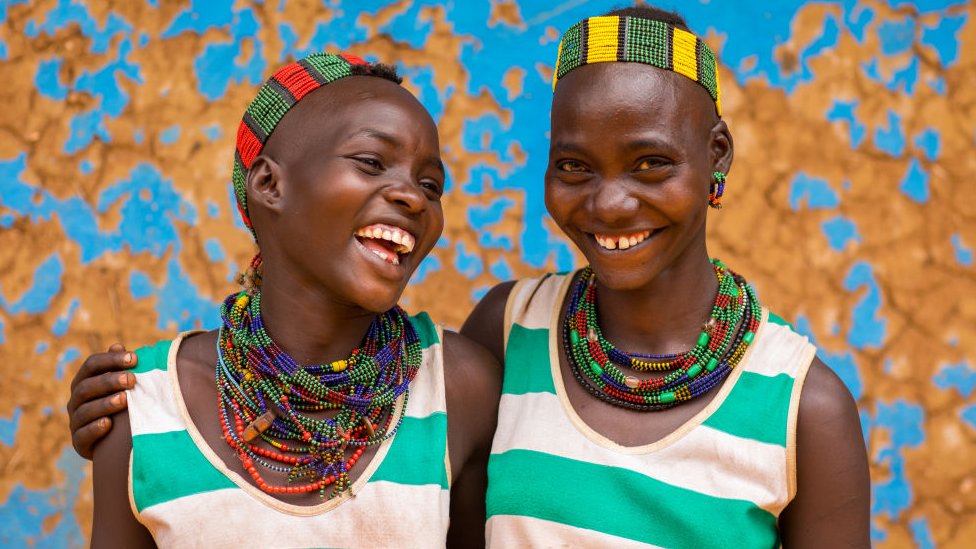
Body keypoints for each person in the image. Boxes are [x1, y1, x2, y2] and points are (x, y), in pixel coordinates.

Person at [69, 6, 870, 548]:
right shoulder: (510, 337)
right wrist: (136, 406)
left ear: (716, 159)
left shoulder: (806, 408)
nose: (613, 199)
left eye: (653, 162)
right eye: (574, 167)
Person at [83, 52, 500, 548]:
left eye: (431, 185)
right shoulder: (141, 409)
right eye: (371, 162)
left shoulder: (460, 390)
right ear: (269, 184)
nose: (413, 196)